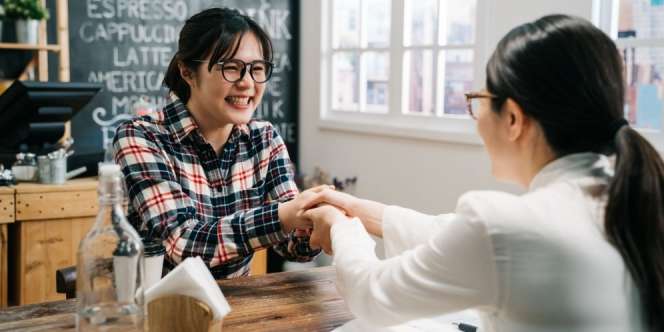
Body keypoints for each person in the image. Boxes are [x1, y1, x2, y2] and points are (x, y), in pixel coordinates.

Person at [304, 15, 663, 332]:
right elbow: (455, 235)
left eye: (480, 100)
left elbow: (372, 295)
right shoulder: (632, 195)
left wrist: (341, 227)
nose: (477, 118)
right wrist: (359, 210)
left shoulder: (504, 226)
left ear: (512, 119)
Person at [113, 8, 321, 279]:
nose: (247, 83)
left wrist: (315, 221)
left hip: (238, 310)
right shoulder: (141, 137)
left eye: (257, 69)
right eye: (231, 68)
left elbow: (293, 246)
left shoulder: (264, 139)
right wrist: (285, 215)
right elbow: (184, 244)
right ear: (187, 71)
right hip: (158, 310)